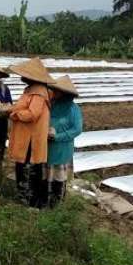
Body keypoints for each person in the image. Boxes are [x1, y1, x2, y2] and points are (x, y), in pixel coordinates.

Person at [2, 57, 55, 209]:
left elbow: (32, 114)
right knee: (25, 168)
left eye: (24, 74)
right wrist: (11, 108)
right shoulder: (31, 90)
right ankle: (27, 198)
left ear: (31, 76)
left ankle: (32, 202)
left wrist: (13, 114)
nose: (22, 77)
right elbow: (22, 107)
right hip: (27, 137)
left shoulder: (38, 93)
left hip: (30, 139)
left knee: (29, 169)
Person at [46, 75, 83, 207]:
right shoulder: (51, 105)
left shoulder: (73, 109)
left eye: (57, 91)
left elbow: (77, 129)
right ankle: (47, 202)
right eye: (54, 90)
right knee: (48, 176)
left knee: (59, 177)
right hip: (48, 147)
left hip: (62, 148)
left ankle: (57, 205)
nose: (54, 93)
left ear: (65, 93)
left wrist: (58, 136)